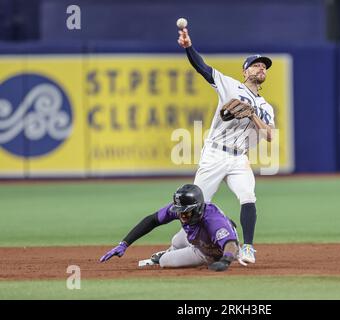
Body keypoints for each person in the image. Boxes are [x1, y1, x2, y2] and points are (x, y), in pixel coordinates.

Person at [165, 27, 276, 264]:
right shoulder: (230, 85)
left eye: (264, 66)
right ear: (245, 71)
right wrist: (188, 47)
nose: (261, 68)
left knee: (248, 196)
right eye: (256, 65)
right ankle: (171, 249)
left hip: (239, 158)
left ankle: (248, 247)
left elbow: (269, 136)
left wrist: (253, 114)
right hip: (215, 153)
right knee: (193, 205)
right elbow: (202, 68)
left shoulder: (266, 107)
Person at [99, 184, 240, 272]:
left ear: (197, 208)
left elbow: (231, 244)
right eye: (179, 210)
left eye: (185, 210)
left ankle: (164, 256)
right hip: (200, 237)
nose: (181, 214)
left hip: (211, 252)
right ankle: (172, 250)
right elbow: (152, 220)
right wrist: (124, 243)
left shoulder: (213, 220)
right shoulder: (181, 210)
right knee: (177, 239)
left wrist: (226, 260)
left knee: (164, 261)